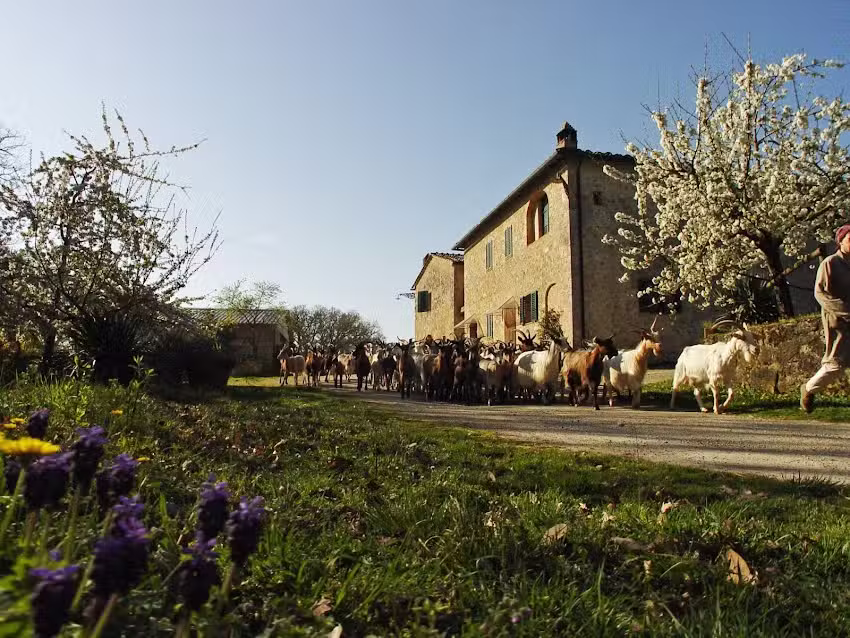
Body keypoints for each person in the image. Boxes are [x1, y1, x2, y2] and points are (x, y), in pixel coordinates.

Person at [801, 224, 850, 412]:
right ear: (841, 242)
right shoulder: (830, 263)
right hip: (838, 322)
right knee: (835, 366)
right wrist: (845, 312)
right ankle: (808, 389)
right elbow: (820, 293)